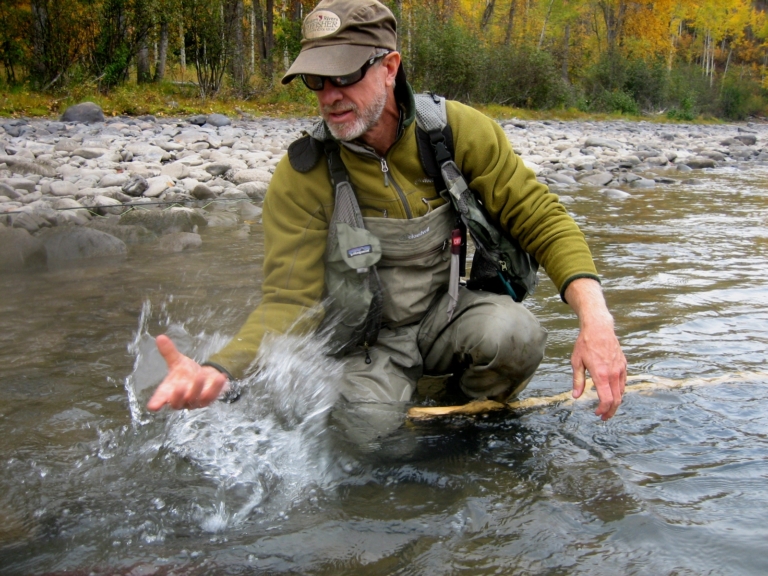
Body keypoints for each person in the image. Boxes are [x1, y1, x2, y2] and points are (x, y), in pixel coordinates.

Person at [148, 0, 626, 424]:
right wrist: (219, 369)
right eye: (316, 80)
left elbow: (539, 217)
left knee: (516, 335)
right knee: (364, 432)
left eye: (345, 75)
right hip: (366, 347)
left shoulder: (457, 133)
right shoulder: (303, 174)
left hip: (452, 315)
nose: (329, 95)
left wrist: (596, 320)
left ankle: (472, 428)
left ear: (390, 66)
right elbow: (288, 303)